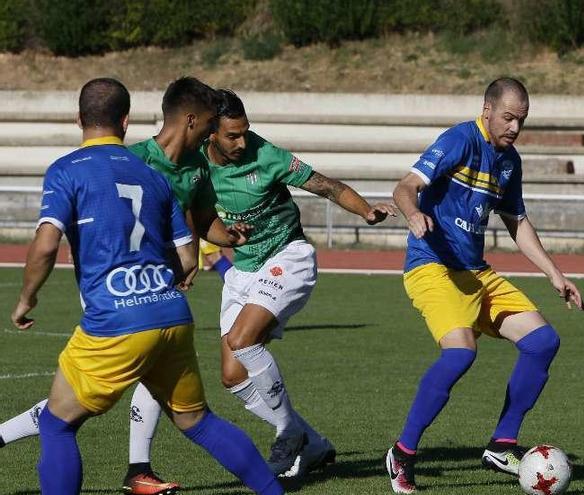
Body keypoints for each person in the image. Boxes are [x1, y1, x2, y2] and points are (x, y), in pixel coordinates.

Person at [9, 78, 284, 495]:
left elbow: (46, 245)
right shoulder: (152, 176)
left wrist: (26, 299)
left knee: (56, 423)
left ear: (79, 118)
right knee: (199, 421)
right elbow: (190, 256)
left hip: (115, 320)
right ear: (125, 120)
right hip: (171, 312)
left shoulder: (67, 169)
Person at [123, 88, 397, 478]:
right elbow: (201, 222)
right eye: (232, 135)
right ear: (210, 134)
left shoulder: (266, 155)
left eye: (245, 132)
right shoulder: (197, 164)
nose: (242, 142)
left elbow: (326, 185)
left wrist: (366, 210)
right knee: (232, 376)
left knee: (243, 339)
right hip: (244, 271)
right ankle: (311, 443)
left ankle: (287, 434)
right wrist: (225, 237)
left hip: (289, 257)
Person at [384, 77, 584, 494]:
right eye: (509, 117)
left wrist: (554, 273)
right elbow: (406, 187)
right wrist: (413, 215)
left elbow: (517, 222)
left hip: (476, 272)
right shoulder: (460, 139)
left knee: (542, 341)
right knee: (460, 354)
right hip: (432, 267)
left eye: (522, 120)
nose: (514, 127)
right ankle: (402, 453)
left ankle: (502, 444)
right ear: (487, 109)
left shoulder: (510, 162)